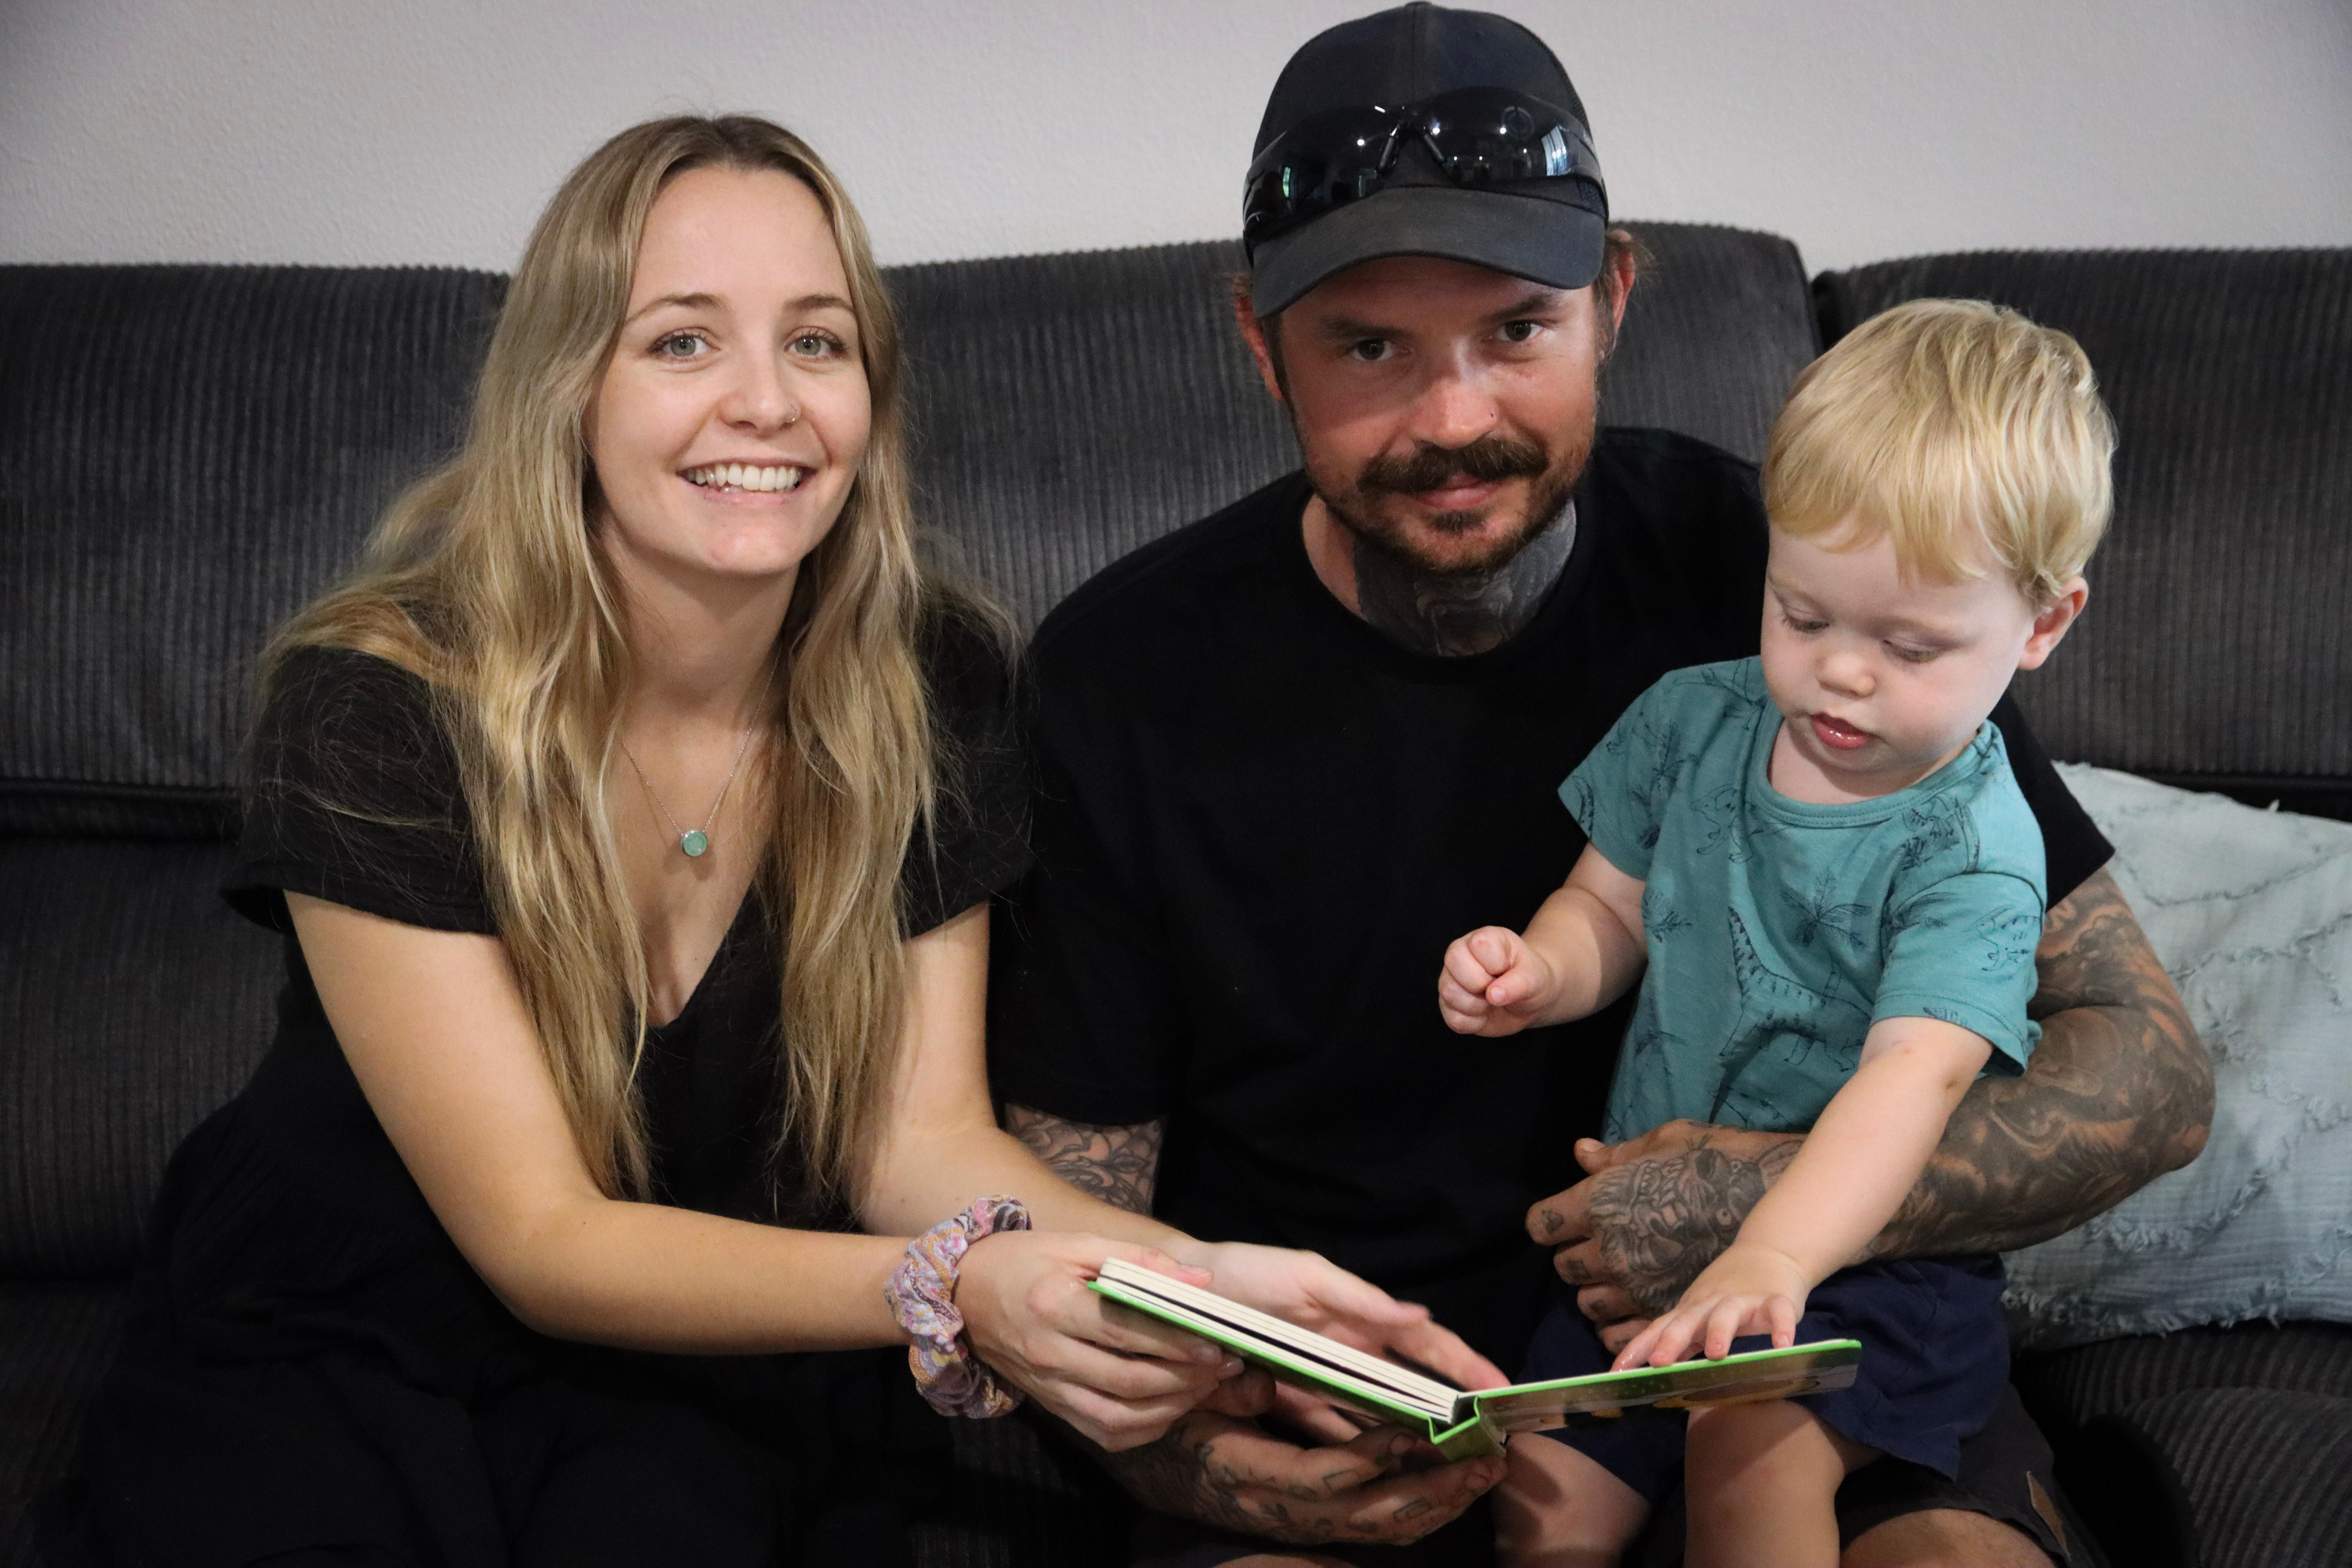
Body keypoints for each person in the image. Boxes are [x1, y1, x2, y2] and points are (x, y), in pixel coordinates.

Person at [45, 114, 1494, 1567]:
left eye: (817, 342)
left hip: (708, 1353)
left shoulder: (930, 681)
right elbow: (542, 1240)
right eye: (682, 342)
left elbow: (916, 1140)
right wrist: (951, 1287)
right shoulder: (379, 703)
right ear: (569, 387)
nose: (766, 403)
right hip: (346, 1341)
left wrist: (1205, 1289)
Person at [986, 6, 2210, 1565]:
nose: (1454, 420)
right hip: (1363, 1411)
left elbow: (2151, 1075)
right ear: (1259, 341)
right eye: (1368, 346)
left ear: (1614, 298)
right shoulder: (1117, 681)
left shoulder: (1797, 574)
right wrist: (1205, 1464)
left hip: (1799, 1332)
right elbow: (1062, 1210)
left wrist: (1763, 1211)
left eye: (1517, 331)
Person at [1441, 298, 2113, 1567]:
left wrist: (1774, 1254)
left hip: (1868, 1262)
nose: (1842, 673)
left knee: (1747, 1452)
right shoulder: (1693, 720)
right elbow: (1609, 905)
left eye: (1911, 645)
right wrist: (1542, 968)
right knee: (1541, 1498)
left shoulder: (1974, 851)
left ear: (2043, 626)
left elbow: (1913, 1080)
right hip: (1651, 1242)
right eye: (1803, 615)